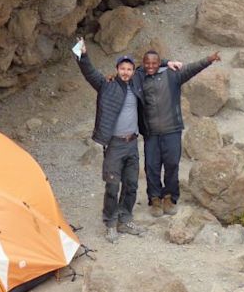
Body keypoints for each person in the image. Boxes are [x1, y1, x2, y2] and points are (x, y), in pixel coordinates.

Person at [74, 40, 179, 243]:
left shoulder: (137, 83)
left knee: (131, 184)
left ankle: (125, 219)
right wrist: (83, 54)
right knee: (113, 185)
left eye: (129, 69)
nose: (125, 72)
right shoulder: (107, 85)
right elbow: (89, 72)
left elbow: (151, 64)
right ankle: (111, 223)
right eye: (122, 68)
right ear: (117, 69)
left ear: (133, 71)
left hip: (132, 143)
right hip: (114, 144)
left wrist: (169, 62)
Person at [137, 50, 221, 217]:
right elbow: (130, 71)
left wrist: (209, 59)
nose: (151, 66)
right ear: (143, 63)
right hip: (151, 133)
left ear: (159, 62)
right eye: (148, 63)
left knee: (172, 165)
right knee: (151, 167)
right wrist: (165, 61)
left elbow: (191, 69)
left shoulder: (172, 75)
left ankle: (170, 197)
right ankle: (154, 198)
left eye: (155, 63)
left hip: (172, 130)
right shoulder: (139, 78)